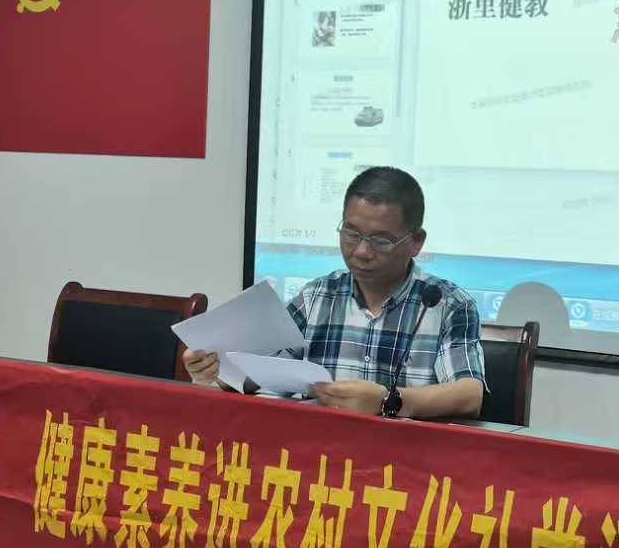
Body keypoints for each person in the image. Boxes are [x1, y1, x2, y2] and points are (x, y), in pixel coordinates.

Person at [185, 167, 485, 419]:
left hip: (403, 460)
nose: (362, 251)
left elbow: (469, 395)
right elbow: (261, 373)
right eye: (352, 234)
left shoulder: (446, 304)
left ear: (416, 241)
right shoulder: (316, 297)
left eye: (381, 240)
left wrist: (388, 401)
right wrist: (217, 369)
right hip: (320, 455)